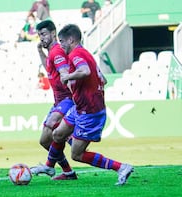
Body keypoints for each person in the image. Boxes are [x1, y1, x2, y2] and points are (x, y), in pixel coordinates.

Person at [56, 24, 133, 185]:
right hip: (80, 108)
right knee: (58, 133)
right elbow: (103, 79)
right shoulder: (86, 54)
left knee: (77, 154)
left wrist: (68, 77)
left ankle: (121, 167)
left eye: (62, 41)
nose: (60, 45)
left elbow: (85, 71)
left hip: (89, 112)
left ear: (71, 40)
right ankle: (51, 166)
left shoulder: (76, 54)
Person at [30, 20, 77, 180]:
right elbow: (48, 67)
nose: (41, 38)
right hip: (58, 101)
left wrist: (76, 98)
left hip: (67, 99)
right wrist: (39, 51)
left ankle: (49, 167)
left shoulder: (57, 52)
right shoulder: (51, 53)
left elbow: (65, 74)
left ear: (53, 33)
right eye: (39, 35)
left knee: (51, 125)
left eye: (43, 34)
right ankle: (68, 172)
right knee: (44, 141)